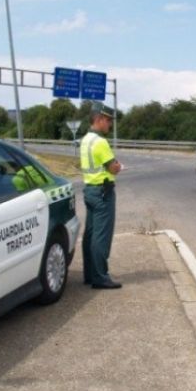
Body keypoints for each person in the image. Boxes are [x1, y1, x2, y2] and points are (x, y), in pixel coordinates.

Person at [80, 106, 123, 289]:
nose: (110, 124)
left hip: (90, 190)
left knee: (90, 235)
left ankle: (90, 274)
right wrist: (118, 166)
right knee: (101, 237)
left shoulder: (85, 140)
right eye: (108, 120)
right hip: (103, 193)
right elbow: (112, 167)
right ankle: (100, 277)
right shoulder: (100, 142)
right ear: (99, 119)